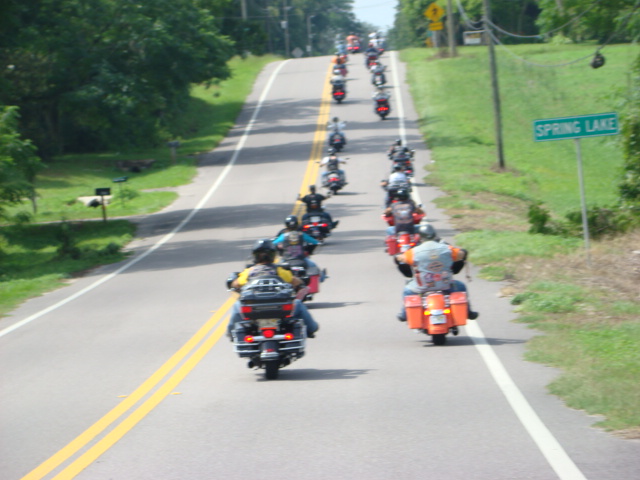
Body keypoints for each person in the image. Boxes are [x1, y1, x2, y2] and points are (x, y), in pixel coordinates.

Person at [227, 239, 319, 338]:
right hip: (279, 309)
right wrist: (301, 282)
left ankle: (230, 333)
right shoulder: (279, 270)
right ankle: (311, 328)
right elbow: (295, 280)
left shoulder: (249, 272)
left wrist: (233, 282)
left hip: (254, 310)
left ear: (255, 256)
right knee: (298, 304)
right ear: (272, 255)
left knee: (237, 306)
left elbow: (235, 284)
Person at [395, 223, 478, 322]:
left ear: (420, 237)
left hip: (422, 287)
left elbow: (400, 258)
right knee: (461, 286)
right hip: (446, 285)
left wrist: (397, 258)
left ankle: (404, 315)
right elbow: (461, 254)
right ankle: (468, 312)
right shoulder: (447, 249)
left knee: (407, 291)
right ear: (434, 235)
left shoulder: (414, 252)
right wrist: (463, 253)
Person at [272, 217, 326, 281]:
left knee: (277, 270)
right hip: (301, 259)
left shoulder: (284, 236)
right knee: (314, 266)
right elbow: (314, 242)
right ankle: (321, 278)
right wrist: (318, 242)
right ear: (297, 224)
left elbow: (274, 243)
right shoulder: (301, 234)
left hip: (286, 260)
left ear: (286, 225)